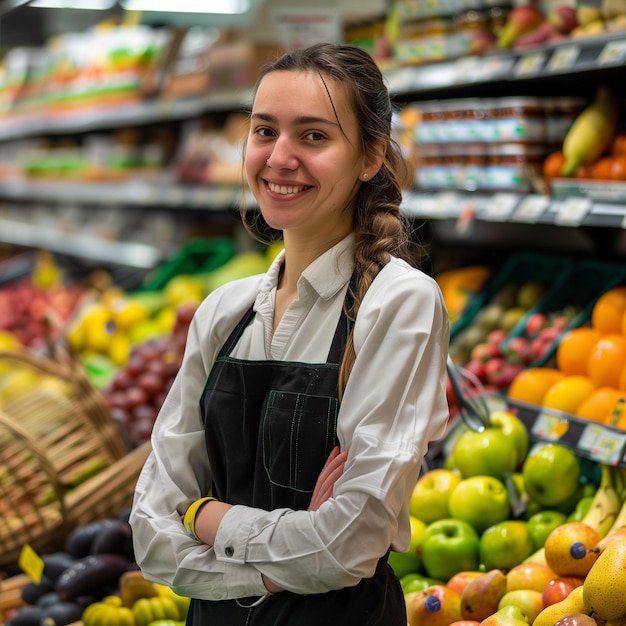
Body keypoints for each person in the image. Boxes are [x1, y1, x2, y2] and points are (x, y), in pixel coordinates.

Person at [129, 41, 450, 625]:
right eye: (263, 131)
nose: (279, 157)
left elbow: (348, 542)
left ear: (371, 156)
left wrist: (206, 516)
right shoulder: (222, 312)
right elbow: (152, 536)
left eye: (313, 136)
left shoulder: (398, 303)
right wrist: (277, 571)